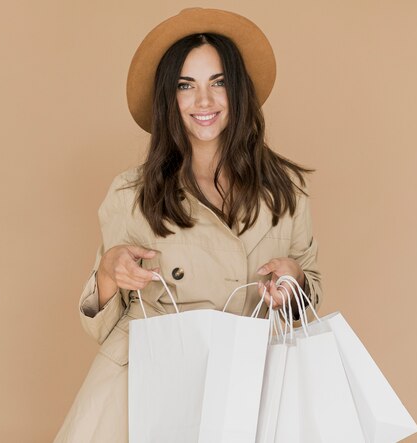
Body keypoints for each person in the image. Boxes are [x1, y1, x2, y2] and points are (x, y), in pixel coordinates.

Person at [54, 7, 322, 442]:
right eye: (186, 85)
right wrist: (109, 273)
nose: (204, 101)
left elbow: (307, 293)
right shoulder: (132, 193)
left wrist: (293, 282)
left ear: (239, 92)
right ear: (168, 98)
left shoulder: (284, 189)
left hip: (251, 386)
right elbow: (100, 325)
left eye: (218, 83)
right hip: (150, 386)